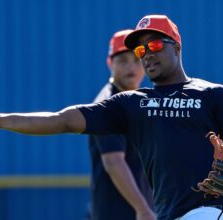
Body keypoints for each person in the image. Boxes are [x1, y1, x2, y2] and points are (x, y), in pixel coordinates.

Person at [0, 14, 223, 220]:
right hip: (168, 214)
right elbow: (63, 119)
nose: (147, 54)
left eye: (154, 44)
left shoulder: (214, 95)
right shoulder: (130, 103)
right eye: (140, 51)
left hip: (212, 210)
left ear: (176, 47)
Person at [86, 30, 154, 220]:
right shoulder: (107, 104)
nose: (131, 66)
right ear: (110, 63)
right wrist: (143, 209)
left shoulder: (136, 101)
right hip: (119, 212)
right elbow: (114, 162)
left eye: (136, 59)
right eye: (122, 60)